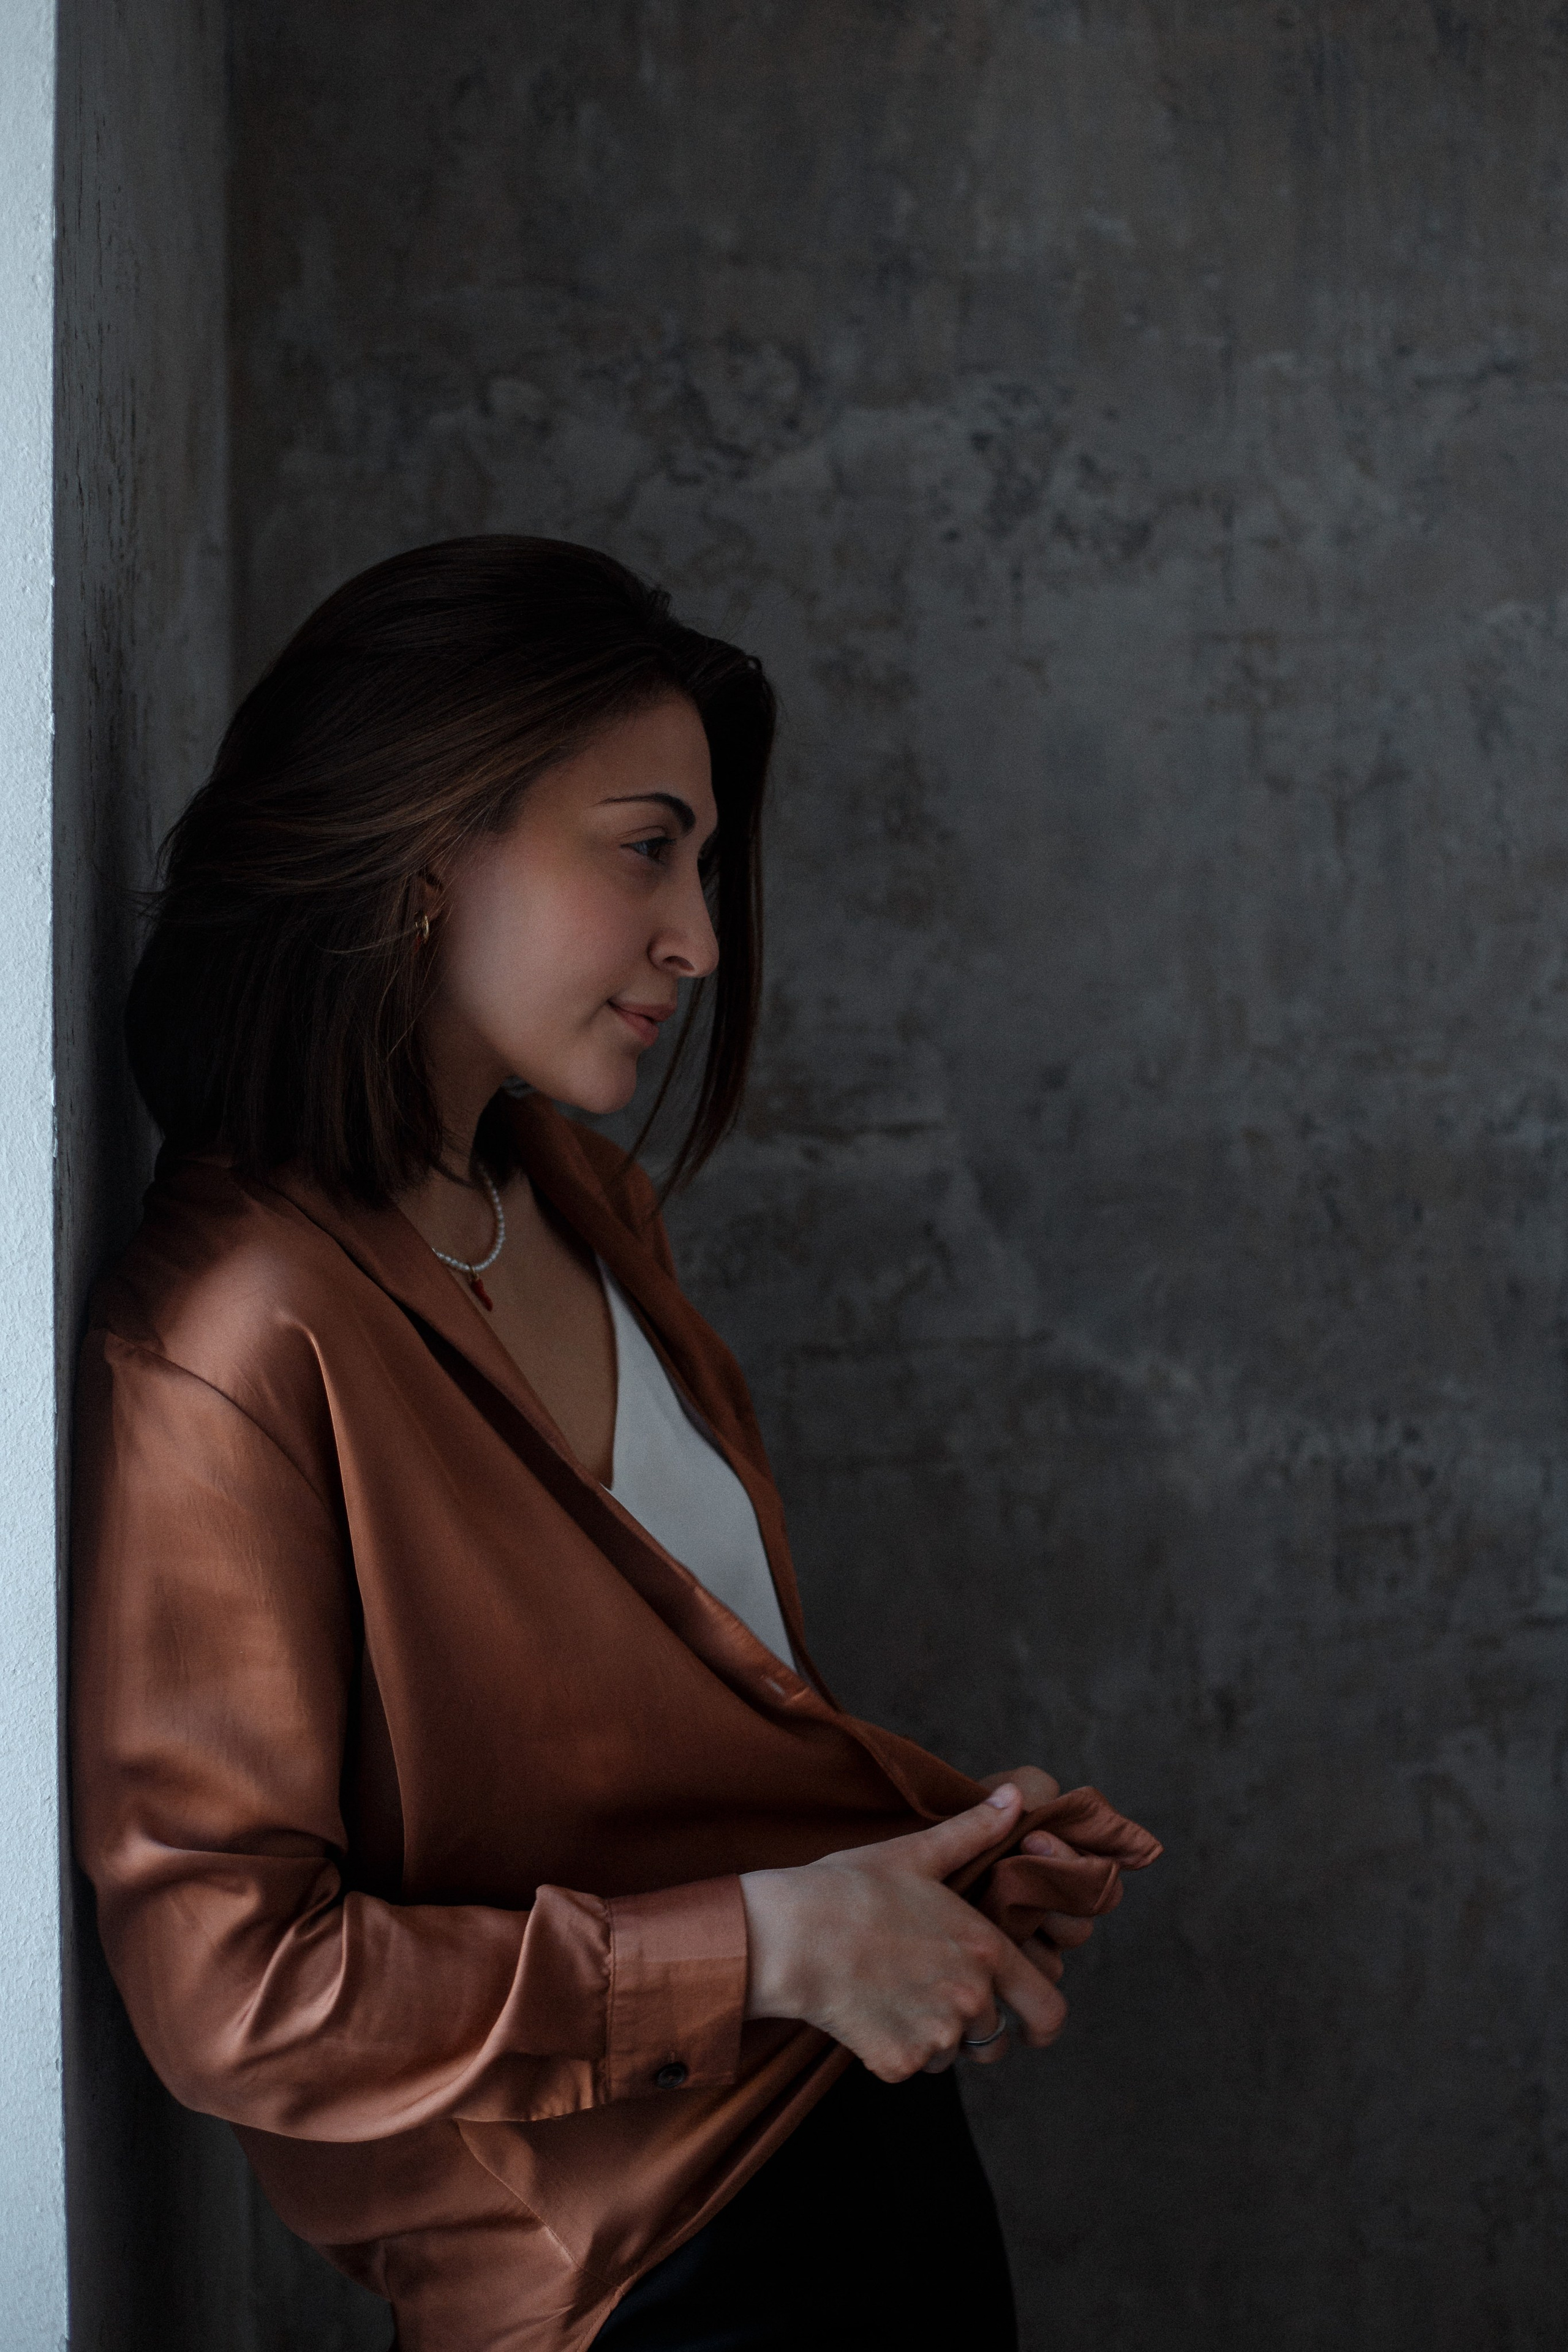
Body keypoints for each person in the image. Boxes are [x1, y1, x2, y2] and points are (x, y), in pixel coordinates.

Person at [70, 537, 1158, 2352]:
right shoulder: (239, 1332)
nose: (704, 941)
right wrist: (777, 1946)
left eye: (709, 866)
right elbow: (233, 1989)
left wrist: (919, 1881)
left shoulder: (571, 1202)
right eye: (646, 847)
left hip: (872, 2194)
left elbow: (657, 1773)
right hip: (633, 2292)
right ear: (430, 852)